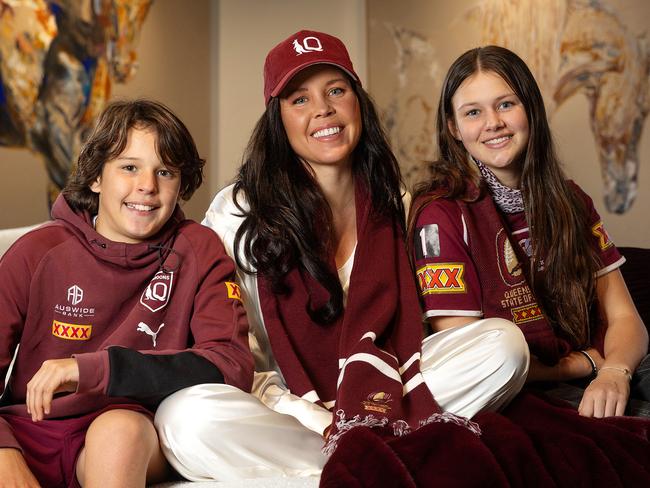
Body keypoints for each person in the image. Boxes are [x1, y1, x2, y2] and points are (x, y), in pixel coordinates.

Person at [155, 30, 528, 482]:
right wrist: (323, 421)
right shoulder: (238, 212)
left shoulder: (400, 203)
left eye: (336, 90)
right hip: (290, 411)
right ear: (278, 119)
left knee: (503, 346)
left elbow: (423, 331)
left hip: (386, 391)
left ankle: (347, 461)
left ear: (358, 103)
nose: (323, 110)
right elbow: (242, 361)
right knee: (184, 418)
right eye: (299, 99)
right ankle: (370, 458)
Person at [0, 99, 253, 487]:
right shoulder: (37, 252)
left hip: (130, 428)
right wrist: (3, 452)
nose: (147, 187)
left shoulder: (199, 250)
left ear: (181, 186)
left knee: (118, 432)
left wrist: (96, 369)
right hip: (30, 429)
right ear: (96, 177)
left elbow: (232, 364)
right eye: (129, 167)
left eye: (165, 172)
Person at [409, 45, 649, 420]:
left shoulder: (570, 199)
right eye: (473, 112)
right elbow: (478, 361)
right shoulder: (440, 216)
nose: (493, 123)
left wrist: (615, 372)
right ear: (454, 128)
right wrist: (577, 366)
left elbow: (624, 318)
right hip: (523, 386)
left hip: (603, 361)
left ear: (531, 109)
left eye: (506, 104)